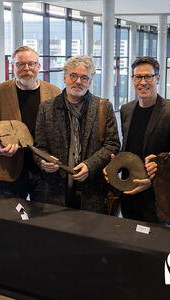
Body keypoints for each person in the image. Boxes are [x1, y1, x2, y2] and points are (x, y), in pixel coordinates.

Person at [34, 55, 120, 213]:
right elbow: (40, 147)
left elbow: (112, 145)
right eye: (73, 76)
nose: (78, 81)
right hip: (56, 192)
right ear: (65, 77)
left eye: (84, 78)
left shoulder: (103, 108)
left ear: (90, 82)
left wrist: (90, 165)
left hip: (92, 193)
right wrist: (43, 161)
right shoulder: (46, 108)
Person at [108, 56, 170, 222]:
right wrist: (114, 165)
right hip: (129, 195)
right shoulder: (126, 110)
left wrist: (153, 182)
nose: (143, 82)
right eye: (138, 77)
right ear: (132, 79)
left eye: (148, 77)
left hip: (156, 200)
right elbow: (128, 149)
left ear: (157, 78)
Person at [0, 46, 61, 200]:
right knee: (12, 218)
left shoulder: (55, 92)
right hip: (11, 167)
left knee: (41, 220)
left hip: (43, 169)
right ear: (13, 67)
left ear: (38, 66)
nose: (26, 68)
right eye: (20, 64)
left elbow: (60, 131)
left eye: (31, 64)